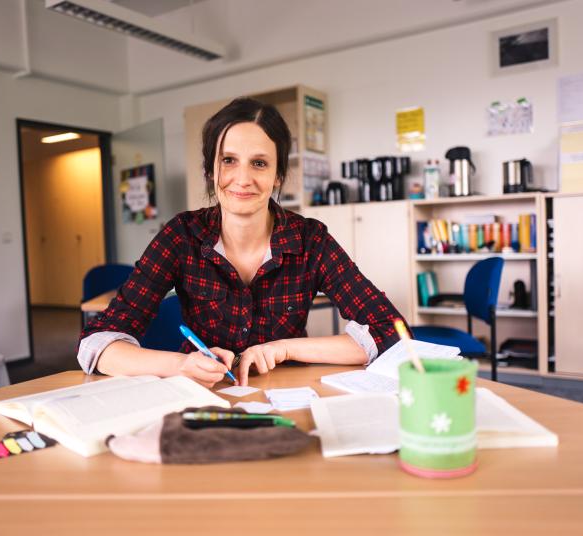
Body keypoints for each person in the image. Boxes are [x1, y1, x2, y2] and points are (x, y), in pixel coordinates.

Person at [78, 97, 408, 387]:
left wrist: (285, 347)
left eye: (260, 163)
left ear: (278, 175)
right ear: (210, 170)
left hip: (288, 393)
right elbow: (97, 344)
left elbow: (391, 331)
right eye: (229, 160)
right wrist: (180, 364)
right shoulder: (181, 236)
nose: (243, 178)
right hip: (201, 394)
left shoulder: (310, 240)